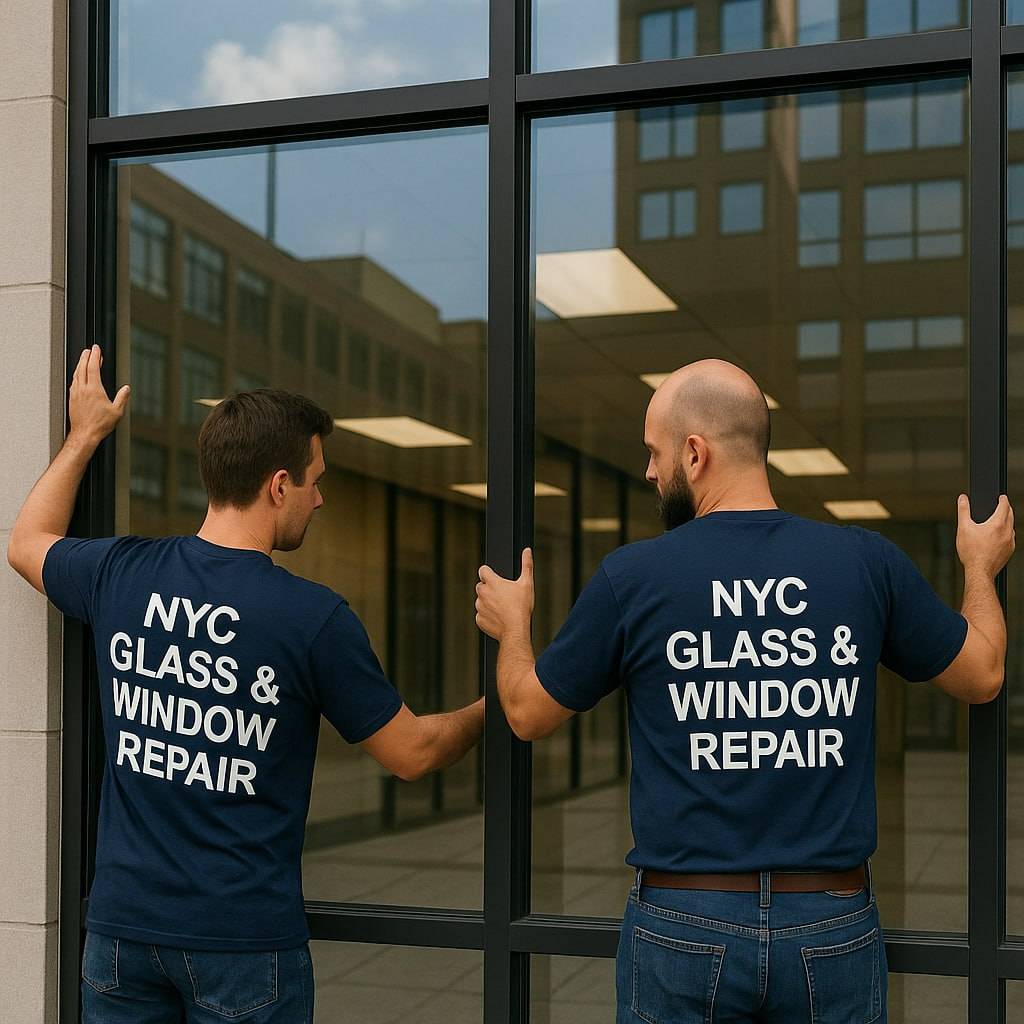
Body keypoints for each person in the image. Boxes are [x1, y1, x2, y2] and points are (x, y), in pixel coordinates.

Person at [474, 358, 1013, 1024]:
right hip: (832, 925)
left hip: (681, 924)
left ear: (694, 454)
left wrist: (513, 625)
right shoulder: (865, 563)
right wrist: (980, 570)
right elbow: (983, 672)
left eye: (654, 452)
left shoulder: (635, 577)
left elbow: (526, 712)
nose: (648, 471)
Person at [7, 345, 485, 1024]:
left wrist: (84, 435)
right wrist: (496, 704)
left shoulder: (124, 573)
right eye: (315, 480)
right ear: (279, 484)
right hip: (242, 949)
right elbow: (414, 753)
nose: (320, 498)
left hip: (120, 936)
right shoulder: (311, 617)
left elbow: (27, 540)